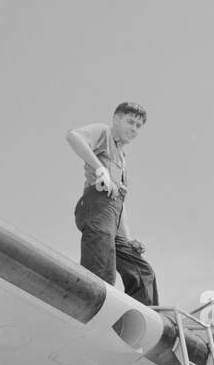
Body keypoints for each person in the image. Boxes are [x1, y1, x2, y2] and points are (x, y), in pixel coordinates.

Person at [65, 102, 158, 305]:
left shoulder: (123, 159)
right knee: (102, 263)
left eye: (138, 126)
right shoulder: (104, 133)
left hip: (113, 216)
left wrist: (129, 239)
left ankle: (142, 317)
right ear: (116, 119)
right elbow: (73, 136)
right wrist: (100, 169)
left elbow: (120, 203)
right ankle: (91, 305)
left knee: (142, 270)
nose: (134, 129)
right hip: (96, 206)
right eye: (130, 122)